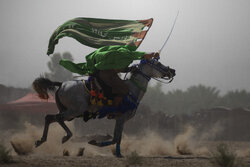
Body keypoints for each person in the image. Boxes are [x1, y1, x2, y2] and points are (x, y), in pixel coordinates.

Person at [59, 42, 159, 106]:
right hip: (106, 74)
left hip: (103, 72)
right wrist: (153, 54)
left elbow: (120, 67)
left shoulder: (121, 53)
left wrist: (129, 69)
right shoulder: (127, 54)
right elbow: (142, 55)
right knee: (124, 88)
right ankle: (114, 110)